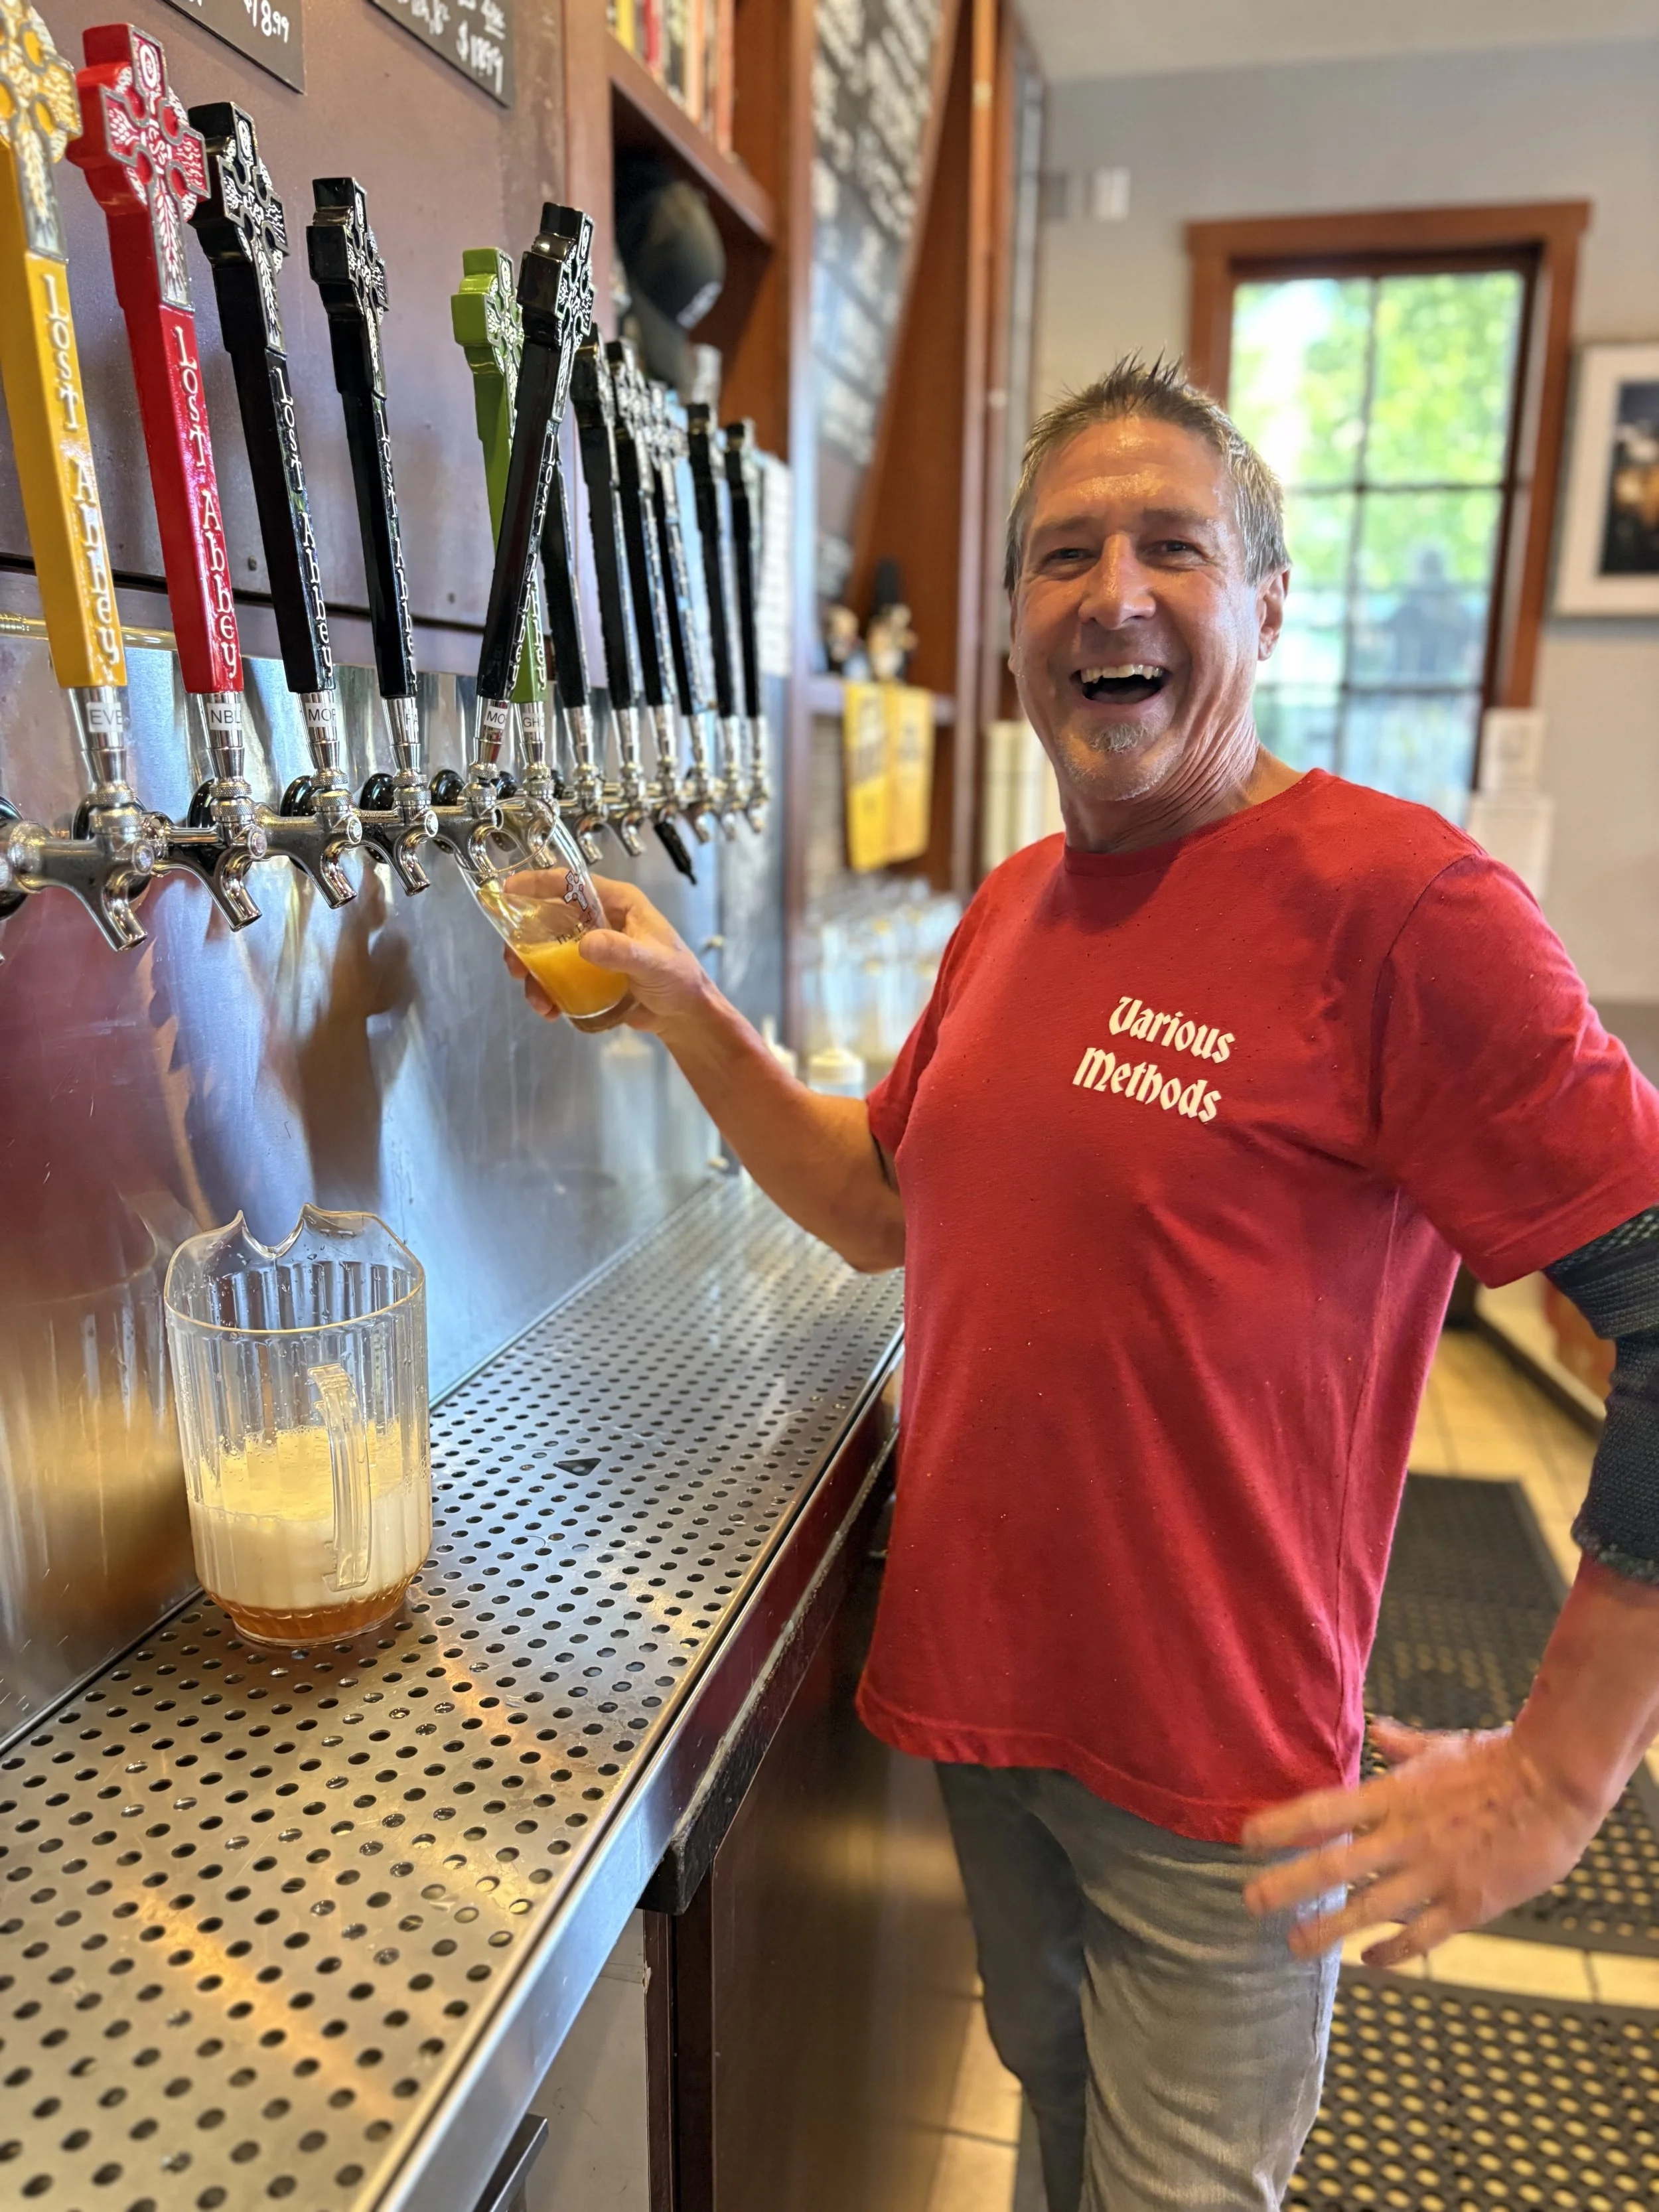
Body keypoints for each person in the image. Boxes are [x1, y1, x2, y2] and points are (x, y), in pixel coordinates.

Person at [507, 358, 1659, 2212]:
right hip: (988, 1708)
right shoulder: (1013, 903)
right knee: (1051, 2108)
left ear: (1266, 603)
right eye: (1060, 556)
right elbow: (873, 1202)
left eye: (1169, 547)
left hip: (1224, 1780)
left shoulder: (1403, 910)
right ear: (1014, 630)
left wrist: (1558, 1770)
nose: (1108, 593)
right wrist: (680, 1006)